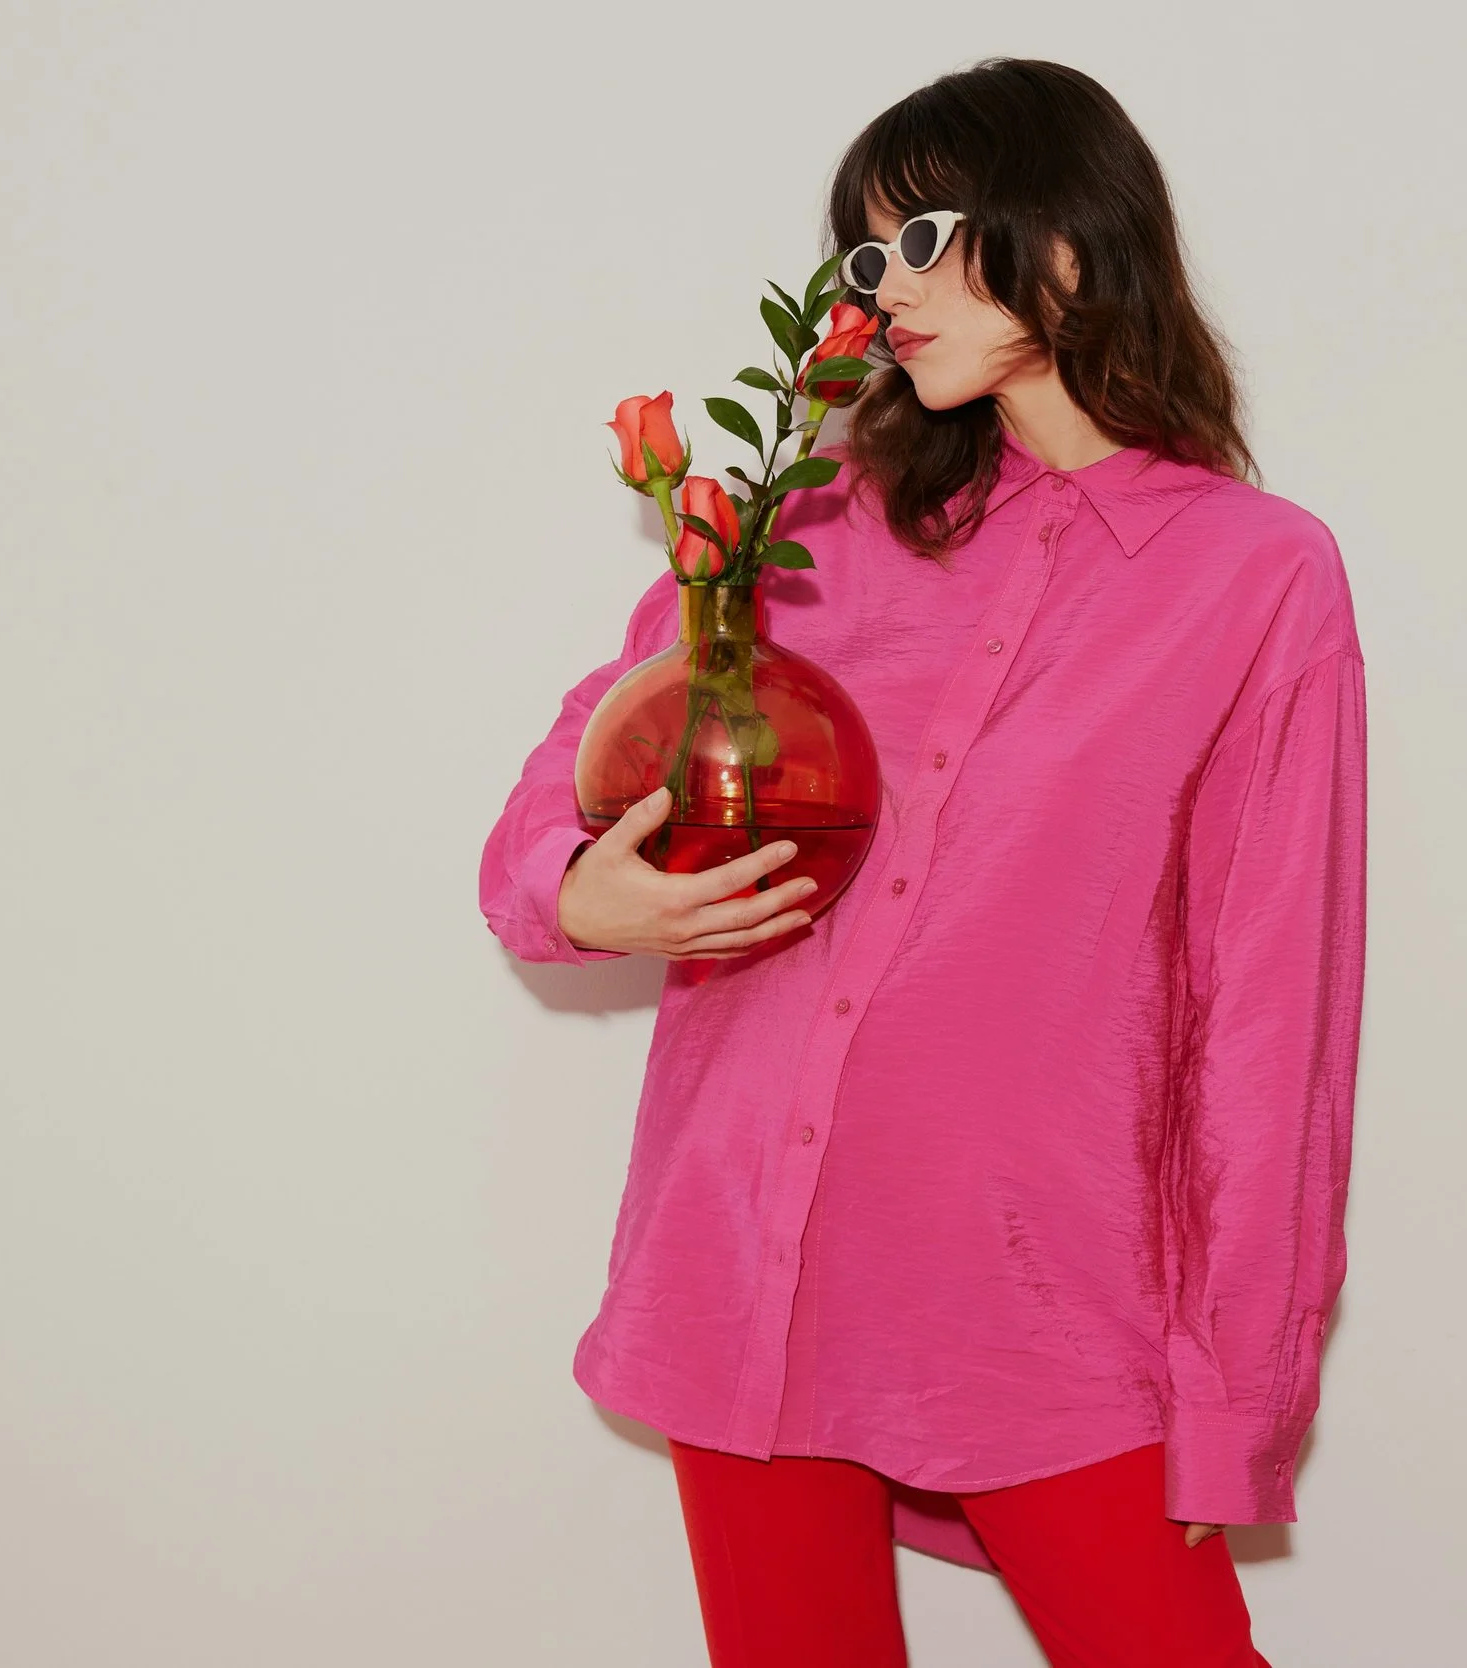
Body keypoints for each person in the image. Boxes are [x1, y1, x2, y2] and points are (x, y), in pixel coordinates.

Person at [478, 58, 1367, 1668]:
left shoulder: (1255, 578)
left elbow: (1269, 1017)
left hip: (1043, 1293)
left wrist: (1236, 1391)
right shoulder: (808, 519)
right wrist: (572, 887)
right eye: (861, 256)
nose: (882, 291)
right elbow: (575, 778)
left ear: (1074, 242)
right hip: (750, 1251)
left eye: (924, 239)